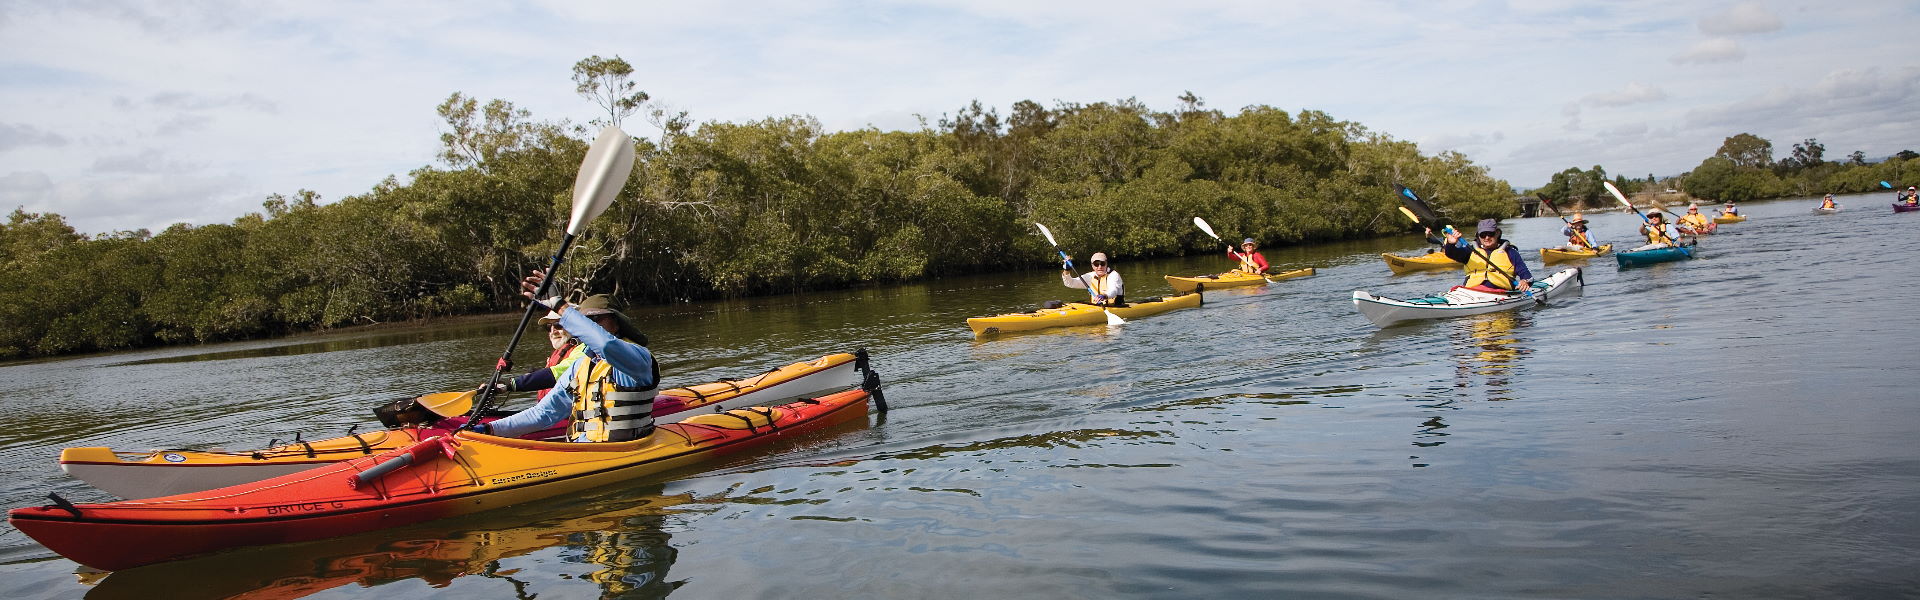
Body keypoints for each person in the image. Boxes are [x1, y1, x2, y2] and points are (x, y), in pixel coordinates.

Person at [479, 281, 660, 443]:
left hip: (621, 451)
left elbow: (605, 344)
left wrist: (560, 307)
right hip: (579, 450)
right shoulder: (579, 367)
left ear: (616, 323)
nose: (590, 325)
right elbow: (542, 414)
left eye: (597, 319)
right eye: (586, 320)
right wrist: (488, 430)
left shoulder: (637, 358)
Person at [1441, 219, 1532, 295]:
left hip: (1500, 293)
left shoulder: (1511, 252)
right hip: (1471, 292)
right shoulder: (1469, 251)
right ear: (1478, 236)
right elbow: (1451, 253)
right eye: (1483, 235)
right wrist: (1450, 244)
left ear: (1497, 234)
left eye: (1490, 234)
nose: (1487, 238)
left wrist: (1524, 282)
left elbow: (1527, 275)